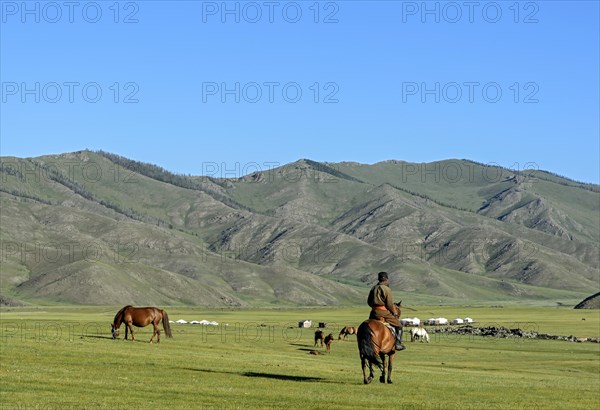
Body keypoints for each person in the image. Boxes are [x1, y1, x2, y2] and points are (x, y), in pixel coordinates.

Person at [367, 271, 405, 350]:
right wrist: (394, 312)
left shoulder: (373, 288)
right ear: (386, 279)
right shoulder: (386, 289)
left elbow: (369, 302)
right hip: (383, 312)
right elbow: (390, 304)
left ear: (378, 279)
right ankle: (398, 344)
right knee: (399, 325)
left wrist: (375, 307)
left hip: (373, 312)